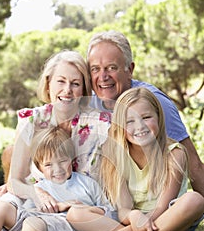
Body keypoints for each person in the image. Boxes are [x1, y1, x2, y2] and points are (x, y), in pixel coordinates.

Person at [0, 50, 112, 231]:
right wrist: (37, 192)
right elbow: (15, 181)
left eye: (75, 83)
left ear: (84, 88)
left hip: (75, 210)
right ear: (48, 84)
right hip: (33, 201)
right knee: (1, 207)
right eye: (60, 82)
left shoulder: (99, 124)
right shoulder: (32, 120)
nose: (67, 90)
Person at [84, 87, 204, 231]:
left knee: (195, 200)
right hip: (134, 220)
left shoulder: (174, 153)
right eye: (130, 121)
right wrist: (134, 216)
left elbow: (162, 208)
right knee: (76, 214)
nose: (139, 126)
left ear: (159, 117)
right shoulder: (116, 155)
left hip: (169, 217)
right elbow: (123, 210)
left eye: (146, 117)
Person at [87, 30, 204, 197]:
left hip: (158, 203)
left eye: (111, 68)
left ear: (130, 69)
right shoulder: (89, 104)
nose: (103, 76)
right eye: (95, 69)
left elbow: (194, 165)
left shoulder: (153, 103)